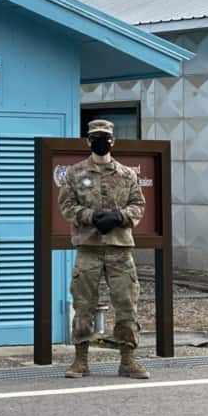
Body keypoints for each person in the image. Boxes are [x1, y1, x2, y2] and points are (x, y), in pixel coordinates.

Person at [59, 119, 149, 379]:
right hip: (89, 247)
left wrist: (120, 217)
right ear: (88, 141)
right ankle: (80, 360)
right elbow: (66, 206)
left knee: (127, 303)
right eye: (96, 137)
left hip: (120, 249)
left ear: (113, 141)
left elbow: (138, 205)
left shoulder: (127, 174)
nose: (101, 141)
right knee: (83, 303)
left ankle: (128, 360)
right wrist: (89, 216)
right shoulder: (75, 173)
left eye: (106, 137)